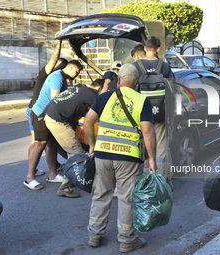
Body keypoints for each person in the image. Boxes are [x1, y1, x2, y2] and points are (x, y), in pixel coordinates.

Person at [83, 64, 156, 253]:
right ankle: (126, 239)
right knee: (126, 198)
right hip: (128, 157)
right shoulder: (142, 100)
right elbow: (147, 131)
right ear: (137, 82)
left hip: (103, 154)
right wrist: (152, 159)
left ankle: (94, 235)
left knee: (101, 194)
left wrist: (92, 144)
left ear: (119, 80)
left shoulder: (104, 97)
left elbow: (88, 121)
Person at [24, 60, 83, 194]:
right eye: (77, 72)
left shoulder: (63, 78)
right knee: (40, 144)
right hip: (41, 113)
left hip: (50, 115)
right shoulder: (57, 77)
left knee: (52, 144)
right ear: (71, 67)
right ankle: (29, 177)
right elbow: (55, 100)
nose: (77, 75)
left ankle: (52, 175)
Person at [133, 36, 174, 191]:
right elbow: (172, 91)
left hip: (140, 115)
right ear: (158, 48)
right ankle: (160, 184)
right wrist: (171, 116)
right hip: (161, 113)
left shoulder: (136, 66)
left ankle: (144, 183)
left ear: (145, 48)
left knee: (143, 147)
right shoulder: (164, 66)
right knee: (161, 148)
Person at [26, 37, 67, 177]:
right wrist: (59, 43)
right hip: (35, 110)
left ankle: (51, 169)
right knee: (38, 142)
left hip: (39, 110)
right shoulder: (47, 74)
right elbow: (54, 58)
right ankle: (31, 172)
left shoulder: (57, 77)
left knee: (48, 143)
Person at [44, 79, 104, 157]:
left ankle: (72, 165)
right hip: (57, 120)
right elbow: (102, 112)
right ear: (99, 89)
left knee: (71, 149)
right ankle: (76, 167)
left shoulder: (80, 87)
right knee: (77, 152)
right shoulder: (92, 95)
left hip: (49, 114)